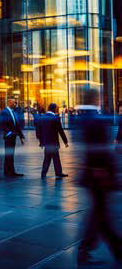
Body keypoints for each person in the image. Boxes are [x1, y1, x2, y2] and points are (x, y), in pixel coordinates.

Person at [74, 89, 122, 264]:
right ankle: (93, 247)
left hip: (94, 172)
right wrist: (101, 169)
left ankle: (114, 247)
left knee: (100, 212)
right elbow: (97, 148)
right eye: (100, 97)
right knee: (100, 213)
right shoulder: (95, 119)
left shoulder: (85, 118)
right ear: (95, 99)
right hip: (98, 174)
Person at [34, 103, 68, 178]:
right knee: (55, 158)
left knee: (47, 158)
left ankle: (44, 173)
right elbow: (60, 131)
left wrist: (41, 141)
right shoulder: (55, 118)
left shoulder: (42, 118)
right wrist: (65, 142)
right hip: (54, 142)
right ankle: (58, 172)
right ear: (55, 108)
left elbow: (38, 131)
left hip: (46, 142)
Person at [0, 99, 26, 177]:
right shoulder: (5, 112)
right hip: (9, 136)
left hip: (13, 136)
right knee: (8, 154)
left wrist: (21, 137)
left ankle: (9, 171)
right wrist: (9, 133)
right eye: (14, 102)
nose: (15, 104)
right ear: (9, 103)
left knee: (11, 154)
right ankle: (9, 172)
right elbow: (3, 124)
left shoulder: (14, 112)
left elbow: (17, 125)